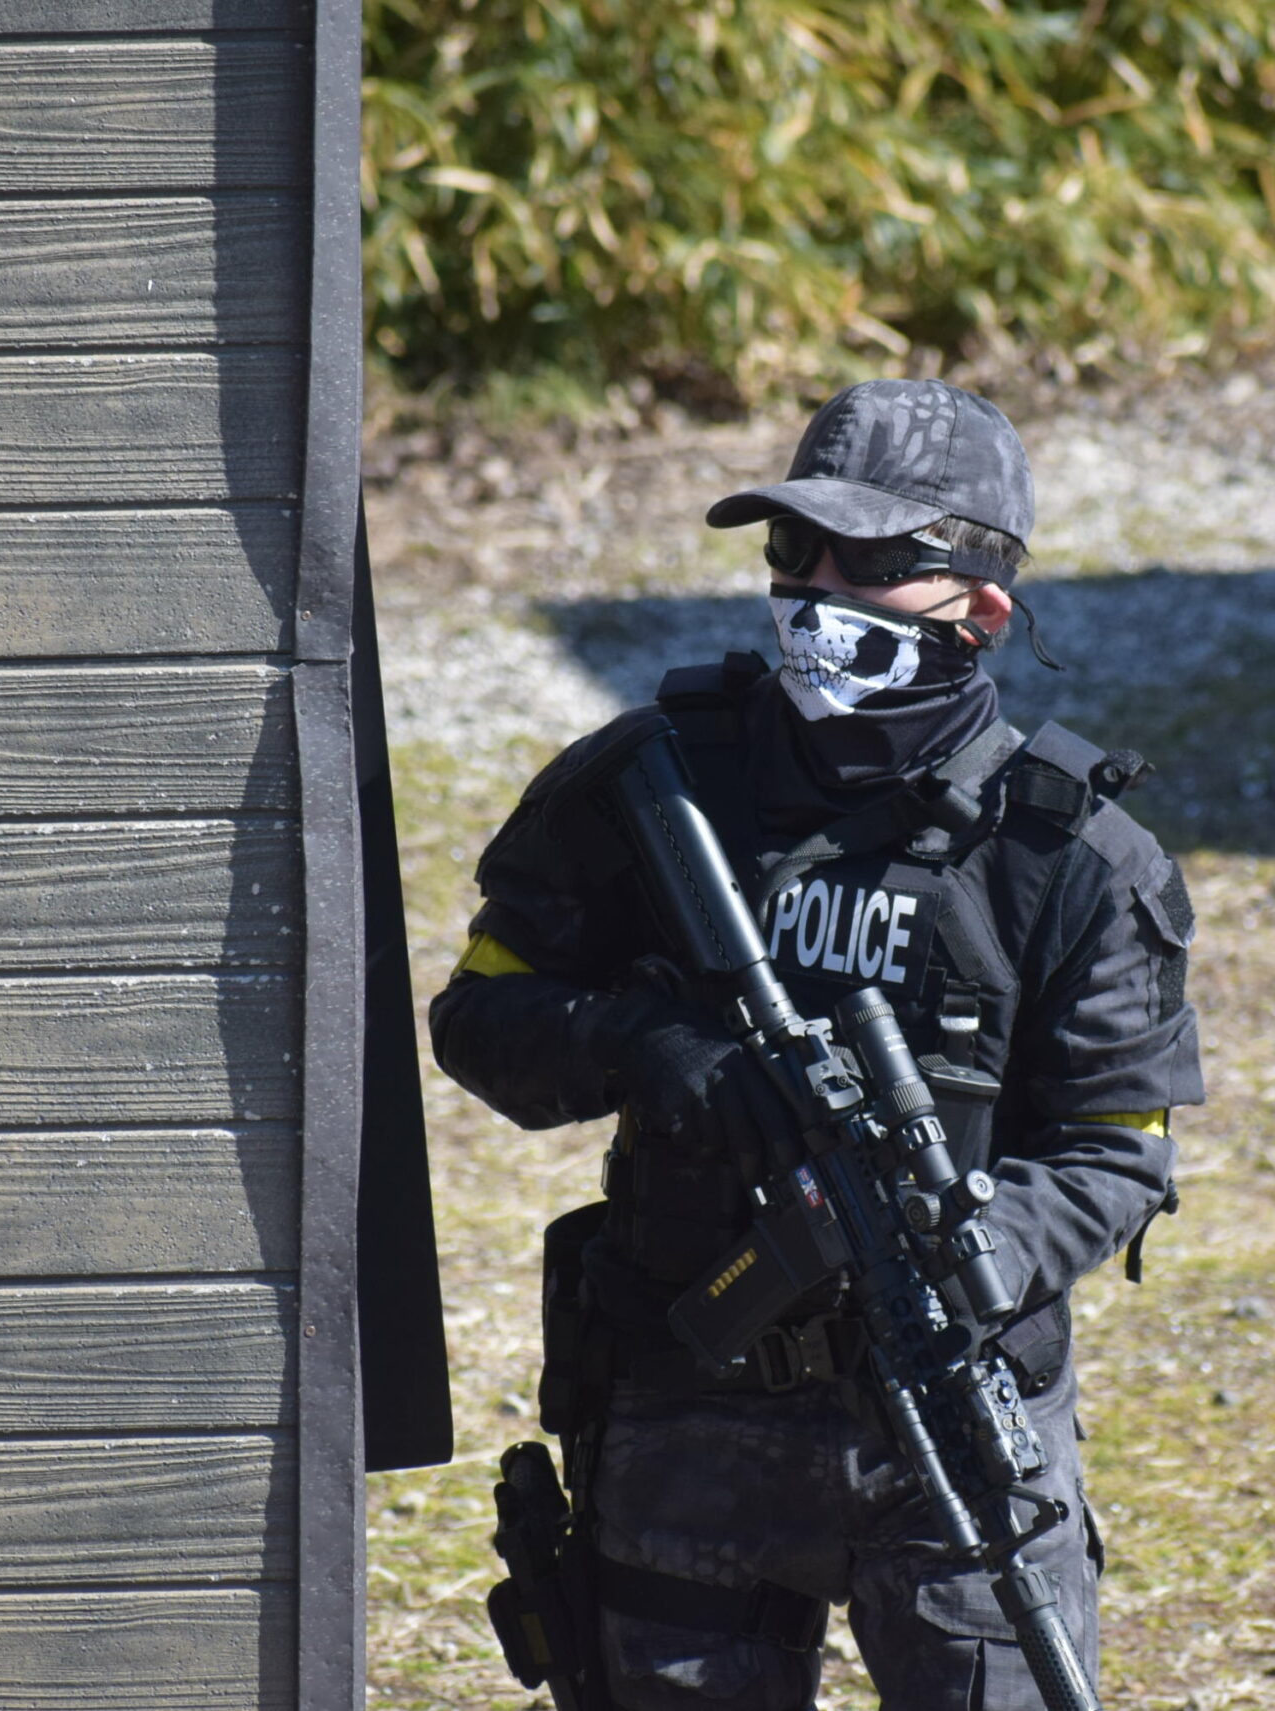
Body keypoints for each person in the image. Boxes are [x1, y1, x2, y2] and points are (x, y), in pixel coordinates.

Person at [433, 378, 1204, 1711]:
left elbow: (1117, 1149)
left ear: (982, 609)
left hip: (952, 1409)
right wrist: (641, 1045)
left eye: (873, 562)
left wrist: (962, 1247)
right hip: (690, 1405)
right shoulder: (651, 787)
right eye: (796, 548)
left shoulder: (1071, 856)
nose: (816, 590)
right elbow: (479, 1016)